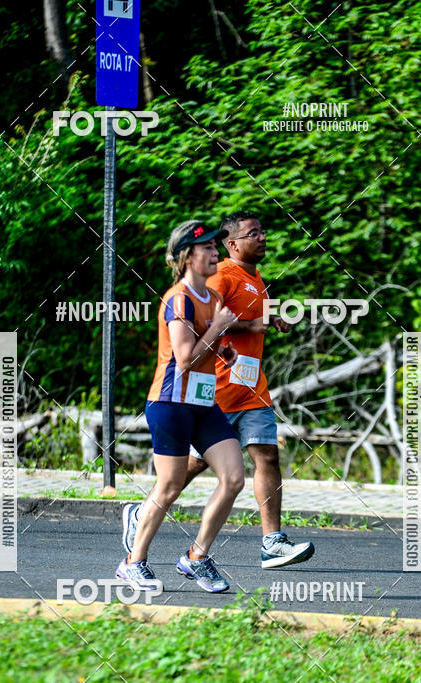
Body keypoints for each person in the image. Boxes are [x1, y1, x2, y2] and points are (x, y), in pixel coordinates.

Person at [124, 211, 315, 569]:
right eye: (253, 233)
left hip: (251, 387)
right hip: (214, 390)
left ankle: (270, 542)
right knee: (185, 470)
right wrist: (242, 329)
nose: (262, 237)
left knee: (264, 457)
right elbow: (203, 328)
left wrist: (268, 322)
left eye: (263, 230)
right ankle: (144, 516)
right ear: (233, 244)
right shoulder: (220, 278)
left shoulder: (257, 279)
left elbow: (228, 323)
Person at [116, 220, 245, 593]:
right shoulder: (179, 298)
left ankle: (196, 557)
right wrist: (218, 328)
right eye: (207, 249)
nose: (216, 253)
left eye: (216, 248)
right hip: (171, 403)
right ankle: (132, 562)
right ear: (188, 256)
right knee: (170, 485)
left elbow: (203, 345)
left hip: (203, 402)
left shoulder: (214, 299)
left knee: (234, 477)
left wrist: (224, 348)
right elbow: (185, 357)